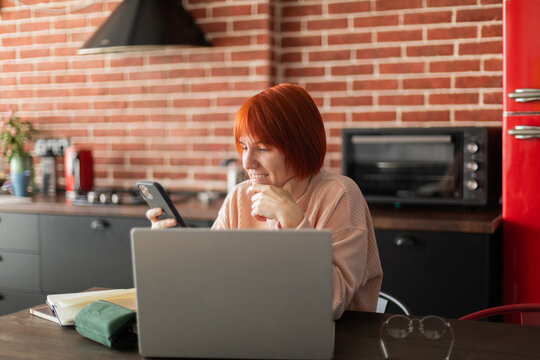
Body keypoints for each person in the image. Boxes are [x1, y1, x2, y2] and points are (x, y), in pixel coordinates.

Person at [146, 83, 383, 319]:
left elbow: (328, 304)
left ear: (299, 147)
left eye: (263, 149)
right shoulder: (240, 195)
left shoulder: (340, 194)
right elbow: (210, 280)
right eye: (244, 147)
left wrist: (294, 222)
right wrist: (171, 253)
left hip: (336, 341)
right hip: (254, 329)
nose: (247, 163)